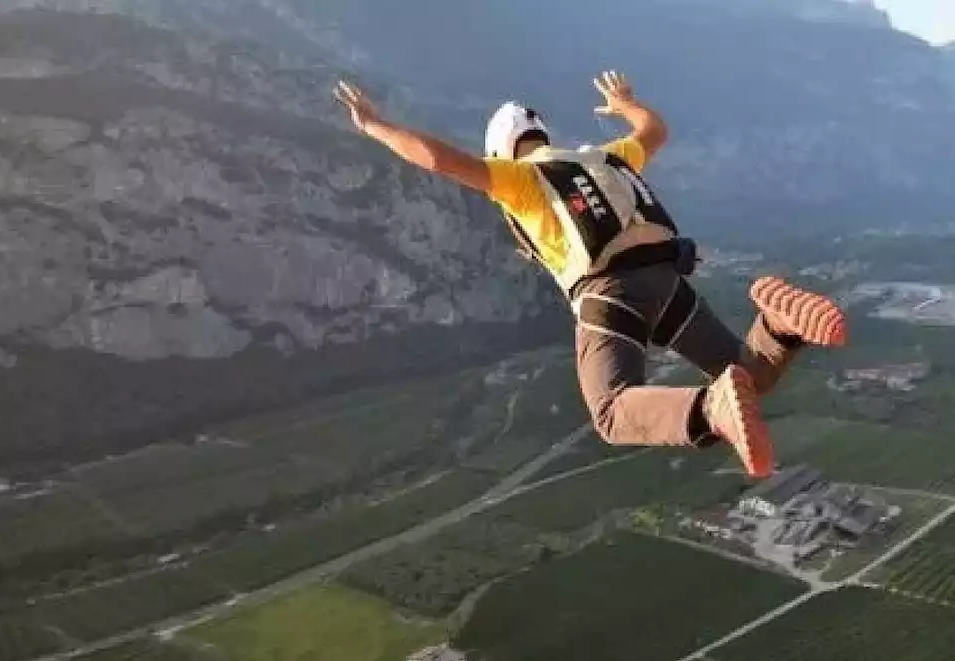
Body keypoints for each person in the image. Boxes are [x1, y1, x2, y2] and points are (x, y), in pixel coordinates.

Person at [334, 71, 847, 479]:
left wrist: (374, 126)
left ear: (502, 152)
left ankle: (713, 408)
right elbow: (654, 131)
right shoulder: (603, 157)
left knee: (612, 411)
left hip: (610, 294)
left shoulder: (520, 177)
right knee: (749, 372)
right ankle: (778, 327)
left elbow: (437, 159)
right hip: (668, 284)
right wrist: (625, 102)